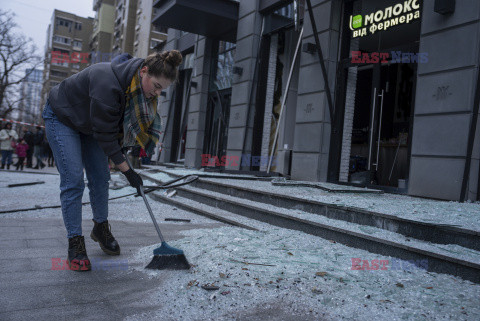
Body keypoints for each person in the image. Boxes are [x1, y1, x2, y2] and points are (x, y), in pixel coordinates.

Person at [43, 50, 182, 272]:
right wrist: (129, 173)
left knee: (100, 178)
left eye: (161, 90)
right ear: (144, 71)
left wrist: (127, 163)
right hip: (63, 117)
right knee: (74, 180)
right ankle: (75, 243)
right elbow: (107, 137)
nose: (156, 93)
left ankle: (100, 227)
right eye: (156, 86)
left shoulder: (135, 85)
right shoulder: (107, 84)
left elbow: (115, 131)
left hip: (90, 124)